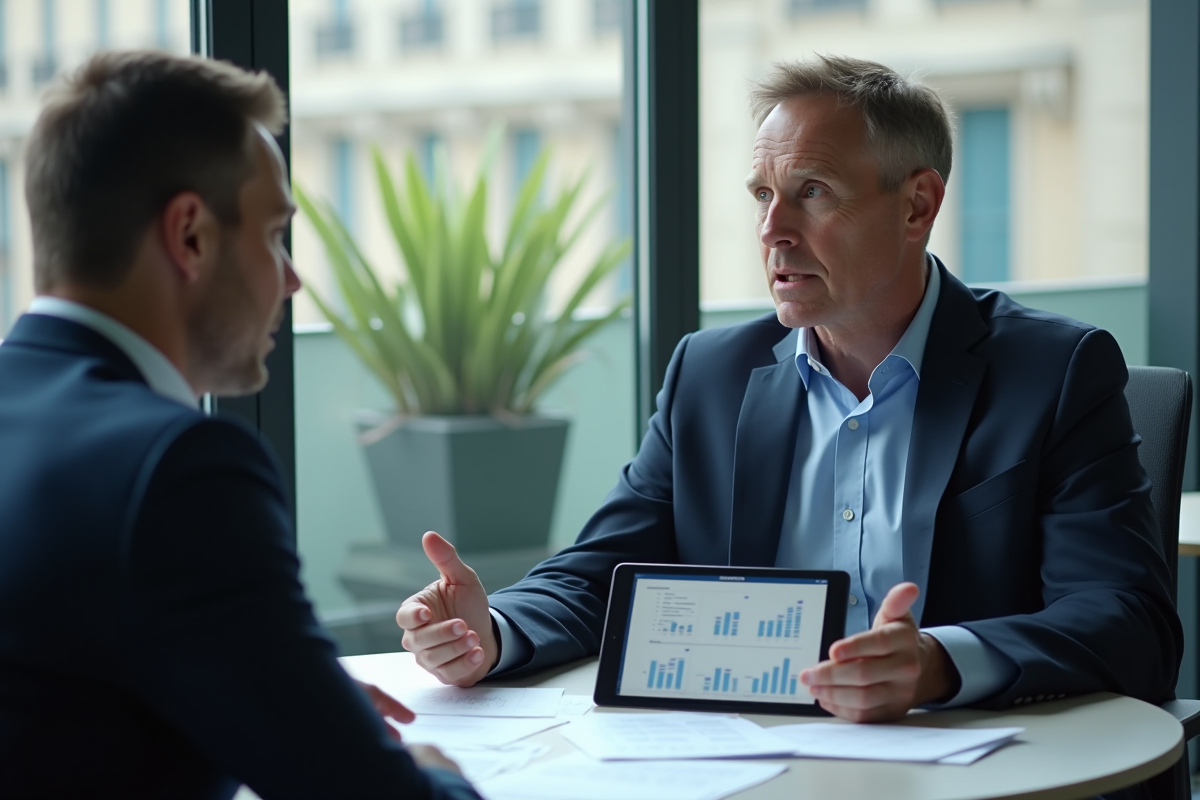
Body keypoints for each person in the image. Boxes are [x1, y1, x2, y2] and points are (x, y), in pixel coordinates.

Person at [397, 56, 1181, 725]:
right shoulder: (711, 377)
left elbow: (1127, 620)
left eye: (812, 191)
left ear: (918, 205)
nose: (773, 229)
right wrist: (492, 631)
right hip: (747, 760)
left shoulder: (1054, 371)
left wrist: (938, 662)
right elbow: (604, 572)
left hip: (969, 768)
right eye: (762, 195)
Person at [0, 51, 480, 800]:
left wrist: (275, 703)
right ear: (190, 234)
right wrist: (430, 773)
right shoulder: (175, 468)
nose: (291, 279)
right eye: (275, 234)